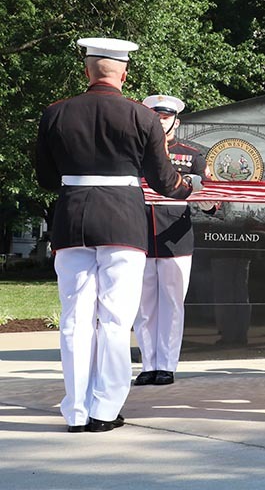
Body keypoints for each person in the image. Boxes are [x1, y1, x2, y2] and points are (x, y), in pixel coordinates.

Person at [35, 38, 198, 433]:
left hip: (72, 219)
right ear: (123, 74)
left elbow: (43, 177)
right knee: (114, 318)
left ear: (86, 71)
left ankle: (75, 410)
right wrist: (186, 187)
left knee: (75, 319)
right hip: (123, 222)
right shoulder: (141, 116)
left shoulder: (55, 113)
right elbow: (163, 179)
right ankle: (104, 410)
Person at [133, 95, 216, 386]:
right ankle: (147, 364)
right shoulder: (133, 152)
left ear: (175, 122)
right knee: (143, 306)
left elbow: (212, 200)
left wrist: (206, 201)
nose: (159, 122)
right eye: (155, 117)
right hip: (138, 233)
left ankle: (166, 364)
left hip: (175, 236)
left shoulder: (191, 155)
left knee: (171, 303)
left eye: (165, 118)